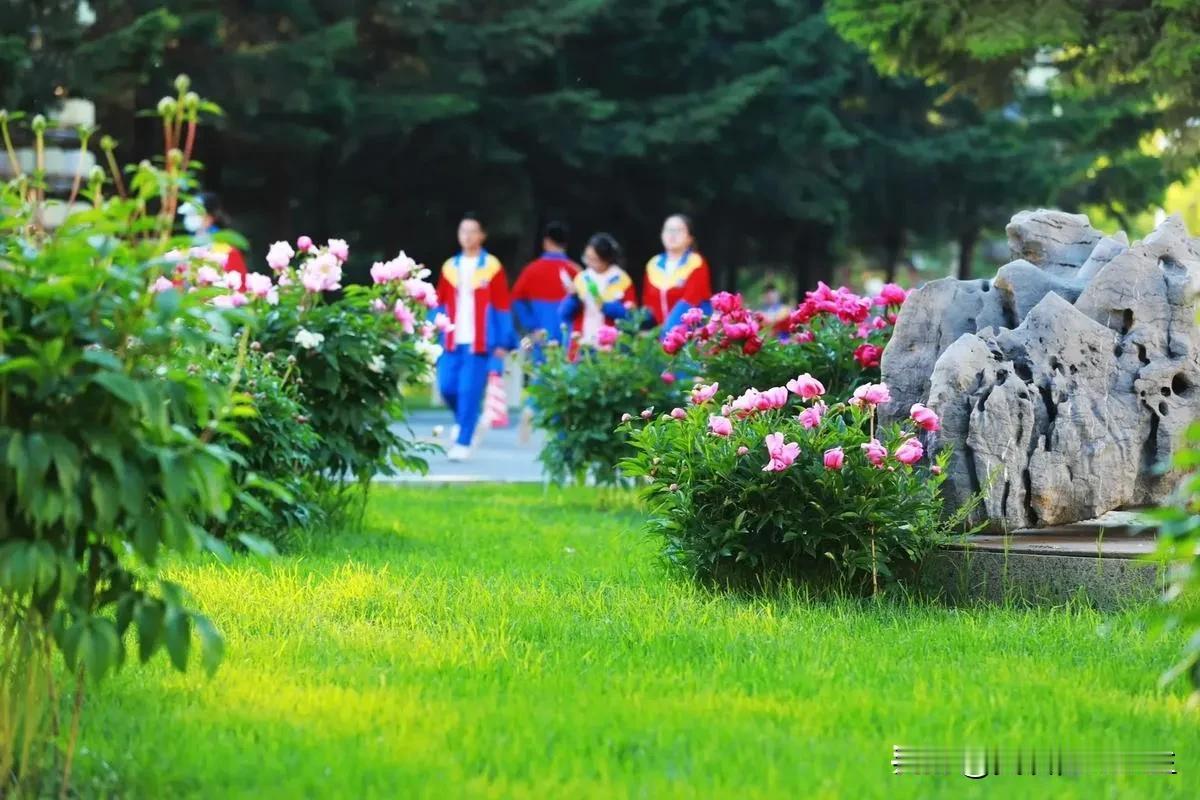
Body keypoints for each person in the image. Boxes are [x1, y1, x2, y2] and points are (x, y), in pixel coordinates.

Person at [432, 213, 516, 462]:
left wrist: (503, 340)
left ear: (482, 235)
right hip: (452, 339)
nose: (467, 236)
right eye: (463, 231)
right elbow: (440, 302)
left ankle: (463, 441)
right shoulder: (449, 268)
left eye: (472, 231)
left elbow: (502, 304)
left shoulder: (492, 267)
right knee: (447, 387)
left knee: (469, 391)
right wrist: (432, 326)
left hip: (480, 341)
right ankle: (466, 420)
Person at [511, 221, 580, 356]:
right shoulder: (575, 271)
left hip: (540, 335)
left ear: (546, 242)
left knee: (539, 373)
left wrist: (531, 325)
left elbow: (516, 300)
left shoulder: (531, 270)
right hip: (569, 336)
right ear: (566, 243)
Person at [560, 232, 636, 349]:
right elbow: (564, 314)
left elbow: (631, 317)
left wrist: (606, 307)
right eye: (586, 258)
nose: (589, 263)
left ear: (607, 259)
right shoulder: (582, 278)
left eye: (594, 259)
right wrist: (573, 297)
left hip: (611, 347)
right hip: (583, 343)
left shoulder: (622, 280)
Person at [642, 213, 712, 331]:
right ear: (662, 234)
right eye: (668, 229)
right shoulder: (653, 265)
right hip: (663, 339)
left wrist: (668, 333)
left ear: (690, 238)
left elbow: (690, 301)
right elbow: (648, 306)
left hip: (692, 336)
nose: (672, 234)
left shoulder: (696, 263)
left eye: (679, 230)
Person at [181, 191, 247, 279]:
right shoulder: (182, 252)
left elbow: (239, 286)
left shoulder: (228, 251)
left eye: (196, 214)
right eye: (188, 214)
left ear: (210, 217)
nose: (190, 218)